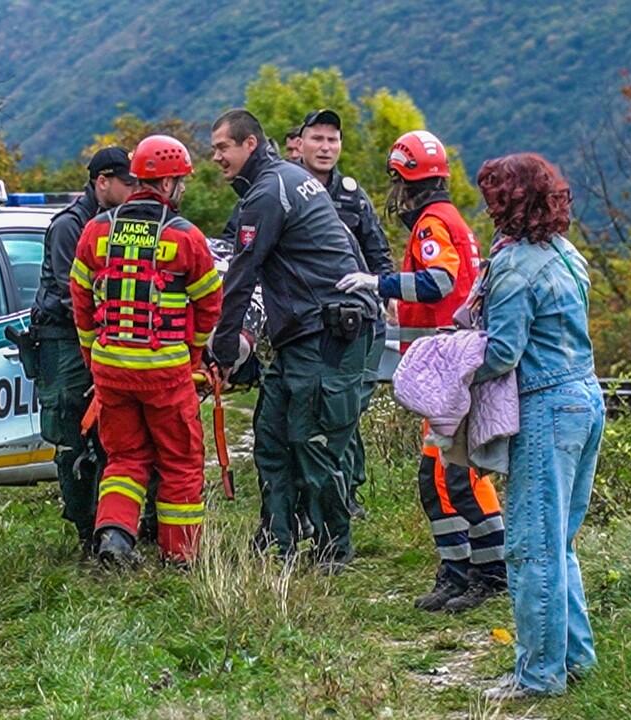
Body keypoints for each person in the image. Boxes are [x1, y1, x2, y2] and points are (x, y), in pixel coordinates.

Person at [336, 130, 506, 612]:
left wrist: (379, 283)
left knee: (452, 478)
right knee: (443, 477)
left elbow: (438, 283)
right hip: (453, 367)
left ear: (405, 180)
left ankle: (486, 573)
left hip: (448, 371)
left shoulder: (432, 224)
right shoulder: (452, 219)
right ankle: (461, 572)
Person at [209, 108, 378, 573]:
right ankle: (277, 538)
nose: (216, 157)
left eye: (222, 148)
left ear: (249, 144)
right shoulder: (287, 180)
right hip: (302, 334)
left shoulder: (269, 192)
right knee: (271, 436)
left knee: (312, 441)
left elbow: (241, 275)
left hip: (326, 332)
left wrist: (222, 351)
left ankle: (332, 548)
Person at [471, 153, 604, 702]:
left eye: (493, 196)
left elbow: (503, 352)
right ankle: (575, 657)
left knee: (530, 549)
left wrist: (452, 369)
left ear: (508, 201)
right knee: (559, 542)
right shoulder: (566, 254)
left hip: (547, 407)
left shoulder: (513, 266)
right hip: (586, 397)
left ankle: (539, 675)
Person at [69, 135, 222, 568]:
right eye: (181, 181)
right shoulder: (185, 237)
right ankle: (180, 555)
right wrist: (193, 357)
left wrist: (94, 360)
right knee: (180, 461)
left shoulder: (96, 230)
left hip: (111, 371)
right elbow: (209, 306)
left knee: (124, 458)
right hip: (166, 373)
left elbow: (81, 302)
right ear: (168, 183)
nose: (183, 189)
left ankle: (114, 539)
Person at [30, 146, 137, 555]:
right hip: (64, 343)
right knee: (73, 435)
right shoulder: (70, 226)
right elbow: (72, 293)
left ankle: (109, 527)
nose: (132, 191)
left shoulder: (118, 224)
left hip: (98, 340)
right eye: (126, 183)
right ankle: (84, 530)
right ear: (102, 182)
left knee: (110, 439)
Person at [298, 108, 394, 519]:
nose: (325, 147)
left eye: (332, 140)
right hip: (306, 321)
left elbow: (378, 251)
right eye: (317, 138)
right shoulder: (285, 190)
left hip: (356, 322)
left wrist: (384, 295)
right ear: (300, 144)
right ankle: (311, 495)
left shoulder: (352, 195)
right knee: (314, 408)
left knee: (350, 404)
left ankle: (347, 491)